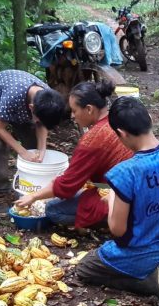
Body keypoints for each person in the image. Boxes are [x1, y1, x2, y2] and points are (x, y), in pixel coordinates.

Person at [76, 97, 159, 302]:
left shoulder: (124, 173)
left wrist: (113, 196)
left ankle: (148, 283)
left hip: (135, 253)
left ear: (121, 133)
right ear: (149, 118)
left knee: (85, 269)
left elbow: (117, 229)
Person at [14, 81, 133, 229]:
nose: (72, 116)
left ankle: (114, 219)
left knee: (53, 209)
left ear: (89, 109)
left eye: (74, 111)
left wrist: (33, 196)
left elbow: (66, 186)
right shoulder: (120, 117)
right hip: (137, 188)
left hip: (118, 196)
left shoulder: (92, 140)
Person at [0, 69, 65, 196]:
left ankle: (32, 182)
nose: (38, 122)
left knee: (33, 144)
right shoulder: (13, 97)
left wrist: (41, 150)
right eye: (38, 119)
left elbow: (41, 124)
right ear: (32, 108)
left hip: (20, 107)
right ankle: (2, 189)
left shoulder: (48, 98)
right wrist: (22, 152)